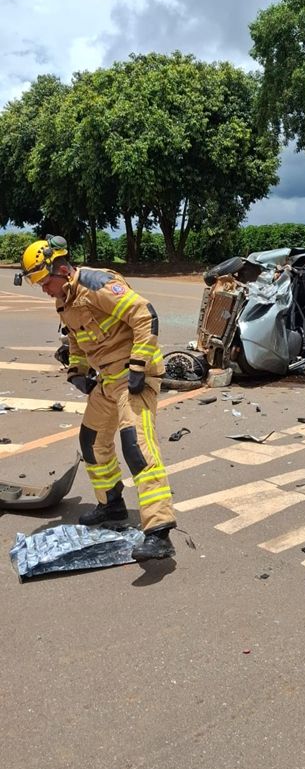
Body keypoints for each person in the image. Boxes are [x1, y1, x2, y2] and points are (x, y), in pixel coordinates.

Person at [17, 236, 176, 563]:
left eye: (45, 282)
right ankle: (112, 504)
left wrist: (139, 364)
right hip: (108, 378)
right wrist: (77, 369)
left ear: (62, 269)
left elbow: (145, 315)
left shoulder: (95, 283)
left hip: (133, 375)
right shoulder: (65, 297)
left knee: (137, 446)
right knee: (91, 440)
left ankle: (159, 531)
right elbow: (76, 337)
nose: (45, 290)